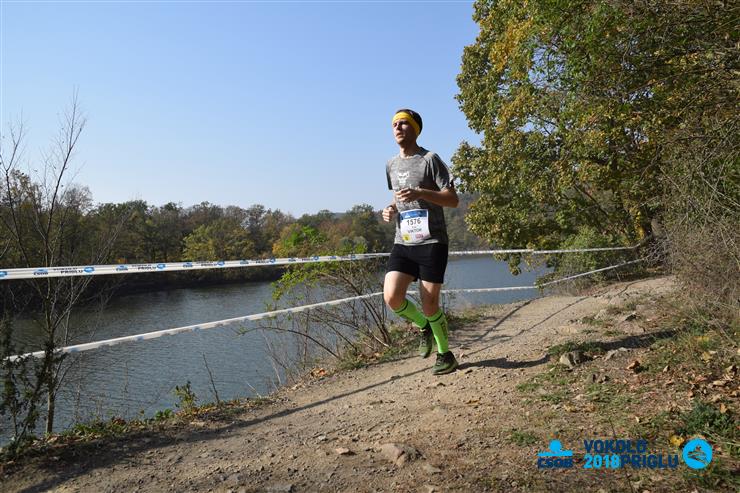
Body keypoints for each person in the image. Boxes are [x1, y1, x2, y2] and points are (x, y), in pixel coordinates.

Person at [382, 108, 460, 375]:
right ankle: (424, 326)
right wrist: (390, 209)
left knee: (430, 303)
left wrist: (422, 193)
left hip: (432, 241)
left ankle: (445, 355)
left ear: (415, 129)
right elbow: (399, 197)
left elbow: (452, 199)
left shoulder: (430, 159)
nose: (398, 127)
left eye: (404, 123)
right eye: (394, 123)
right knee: (392, 297)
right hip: (403, 241)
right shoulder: (391, 164)